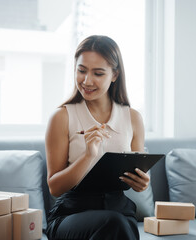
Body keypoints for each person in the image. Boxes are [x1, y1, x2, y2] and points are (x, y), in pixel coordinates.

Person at [45, 35, 149, 240]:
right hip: (73, 215)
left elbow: (138, 172)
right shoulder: (62, 117)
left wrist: (142, 182)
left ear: (114, 75)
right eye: (81, 70)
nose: (87, 81)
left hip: (119, 211)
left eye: (98, 73)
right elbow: (55, 188)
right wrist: (88, 156)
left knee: (117, 223)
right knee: (115, 224)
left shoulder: (133, 118)